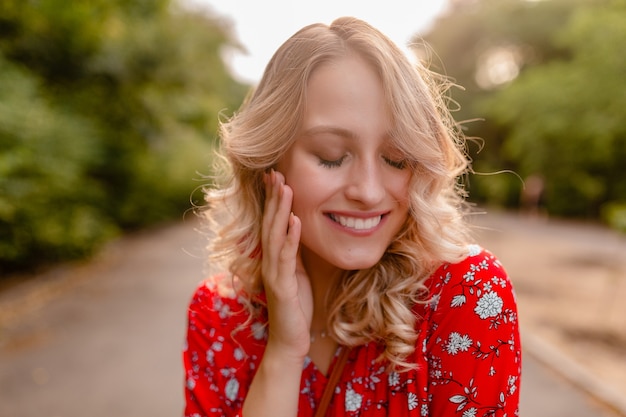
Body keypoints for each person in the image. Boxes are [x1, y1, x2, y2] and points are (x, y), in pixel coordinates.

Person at [183, 16, 521, 417]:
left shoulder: (465, 294)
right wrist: (284, 353)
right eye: (331, 157)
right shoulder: (219, 314)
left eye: (396, 159)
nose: (369, 191)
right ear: (269, 163)